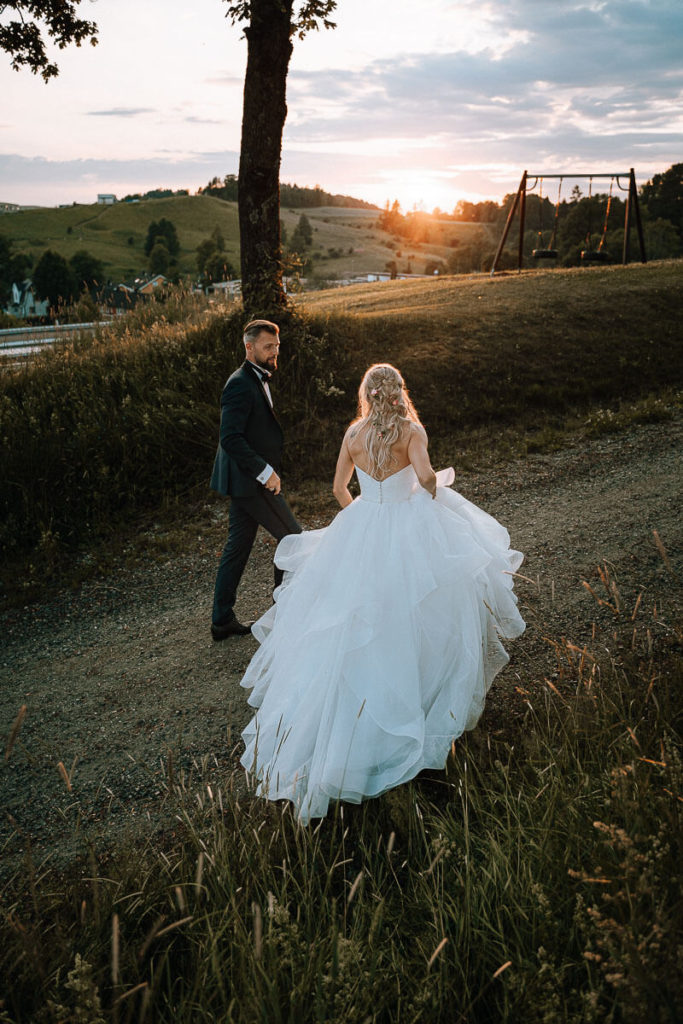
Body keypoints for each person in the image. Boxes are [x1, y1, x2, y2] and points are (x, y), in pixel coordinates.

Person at [239, 363, 526, 822]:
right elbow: (428, 479)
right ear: (398, 393)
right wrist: (429, 492)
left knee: (353, 622)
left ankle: (355, 730)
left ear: (367, 394)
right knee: (422, 616)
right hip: (408, 526)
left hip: (363, 523)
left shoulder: (354, 434)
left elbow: (337, 488)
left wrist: (365, 517)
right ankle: (419, 709)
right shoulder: (411, 432)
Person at [210, 319, 301, 640]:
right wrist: (266, 472)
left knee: (238, 547)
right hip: (252, 481)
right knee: (293, 540)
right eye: (268, 346)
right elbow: (230, 438)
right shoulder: (238, 383)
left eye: (277, 345)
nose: (275, 352)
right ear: (249, 348)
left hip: (245, 481)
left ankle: (221, 620)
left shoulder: (256, 378)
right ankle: (284, 615)